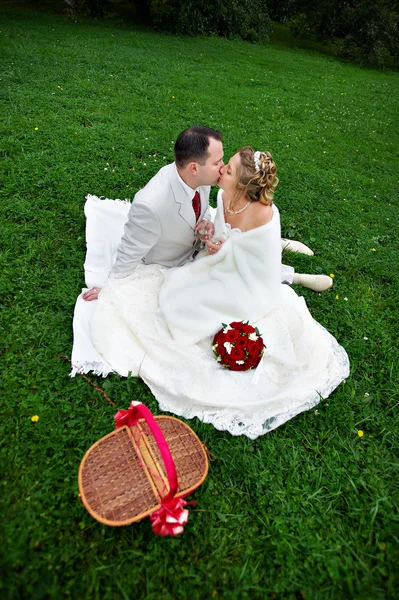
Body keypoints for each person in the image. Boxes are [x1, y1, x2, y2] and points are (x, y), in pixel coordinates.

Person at [88, 146, 349, 439]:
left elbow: (259, 267)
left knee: (195, 314)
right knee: (174, 292)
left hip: (249, 282)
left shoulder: (263, 215)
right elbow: (221, 228)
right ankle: (294, 273)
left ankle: (295, 276)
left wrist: (225, 251)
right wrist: (212, 235)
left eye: (229, 169)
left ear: (242, 183)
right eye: (227, 163)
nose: (222, 168)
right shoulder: (224, 193)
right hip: (222, 264)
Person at [83, 126, 332, 302]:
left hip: (205, 245)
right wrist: (109, 285)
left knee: (246, 258)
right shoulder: (150, 206)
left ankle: (273, 244)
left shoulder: (203, 177)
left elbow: (200, 212)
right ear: (194, 168)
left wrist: (205, 224)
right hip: (177, 261)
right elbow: (129, 249)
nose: (223, 168)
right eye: (218, 163)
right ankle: (290, 274)